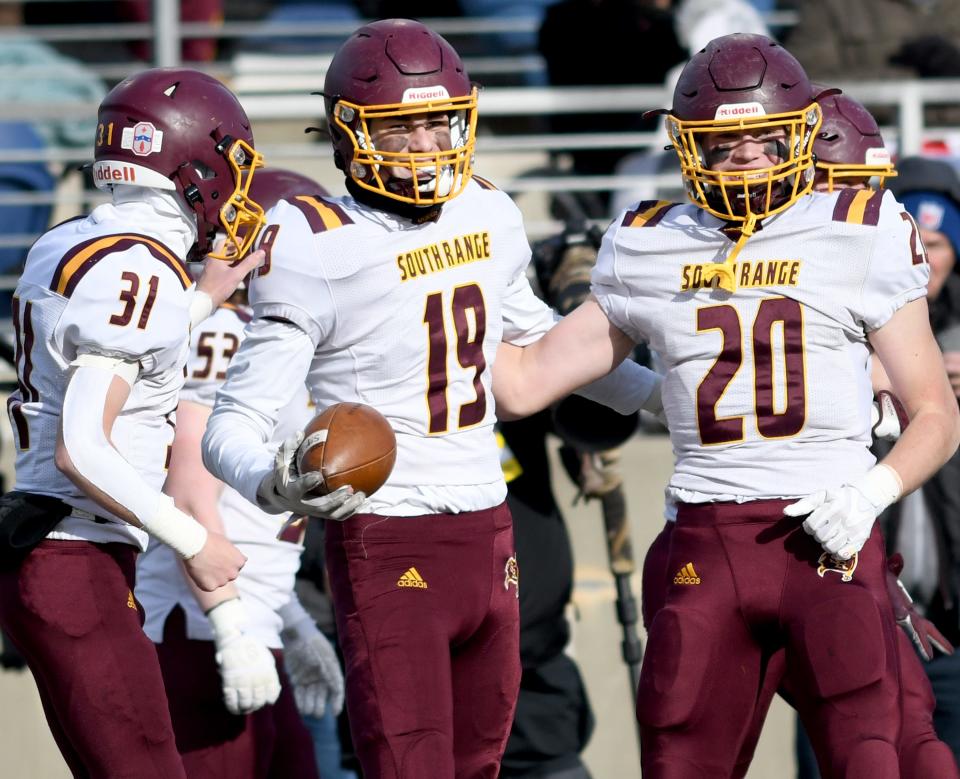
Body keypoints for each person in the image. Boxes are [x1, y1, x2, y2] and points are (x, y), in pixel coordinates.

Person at [201, 18, 662, 779]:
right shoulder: (314, 238)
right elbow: (232, 424)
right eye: (399, 128)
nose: (424, 145)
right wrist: (275, 483)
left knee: (481, 765)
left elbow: (535, 349)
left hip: (489, 528)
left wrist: (662, 398)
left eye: (435, 123)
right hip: (389, 533)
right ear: (350, 136)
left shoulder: (486, 209)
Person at [491, 33, 960, 777]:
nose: (745, 159)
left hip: (829, 534)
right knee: (681, 759)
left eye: (764, 140)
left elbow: (935, 413)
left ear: (799, 135)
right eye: (724, 144)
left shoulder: (859, 229)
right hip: (708, 542)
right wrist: (498, 286)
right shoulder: (649, 243)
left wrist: (872, 492)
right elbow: (523, 381)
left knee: (887, 758)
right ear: (688, 148)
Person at [0, 67, 265, 778]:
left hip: (49, 555)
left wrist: (203, 299)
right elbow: (81, 447)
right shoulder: (141, 272)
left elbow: (114, 352)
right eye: (232, 165)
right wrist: (196, 540)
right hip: (74, 557)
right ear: (195, 164)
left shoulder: (76, 240)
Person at [135, 168, 345, 779]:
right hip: (199, 630)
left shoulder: (280, 336)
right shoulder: (228, 330)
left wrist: (293, 621)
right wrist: (231, 629)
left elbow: (249, 522)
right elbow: (189, 491)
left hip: (249, 622)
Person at [882, 155, 960, 764]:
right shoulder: (850, 319)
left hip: (952, 624)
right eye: (916, 242)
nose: (927, 258)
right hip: (867, 612)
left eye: (938, 243)